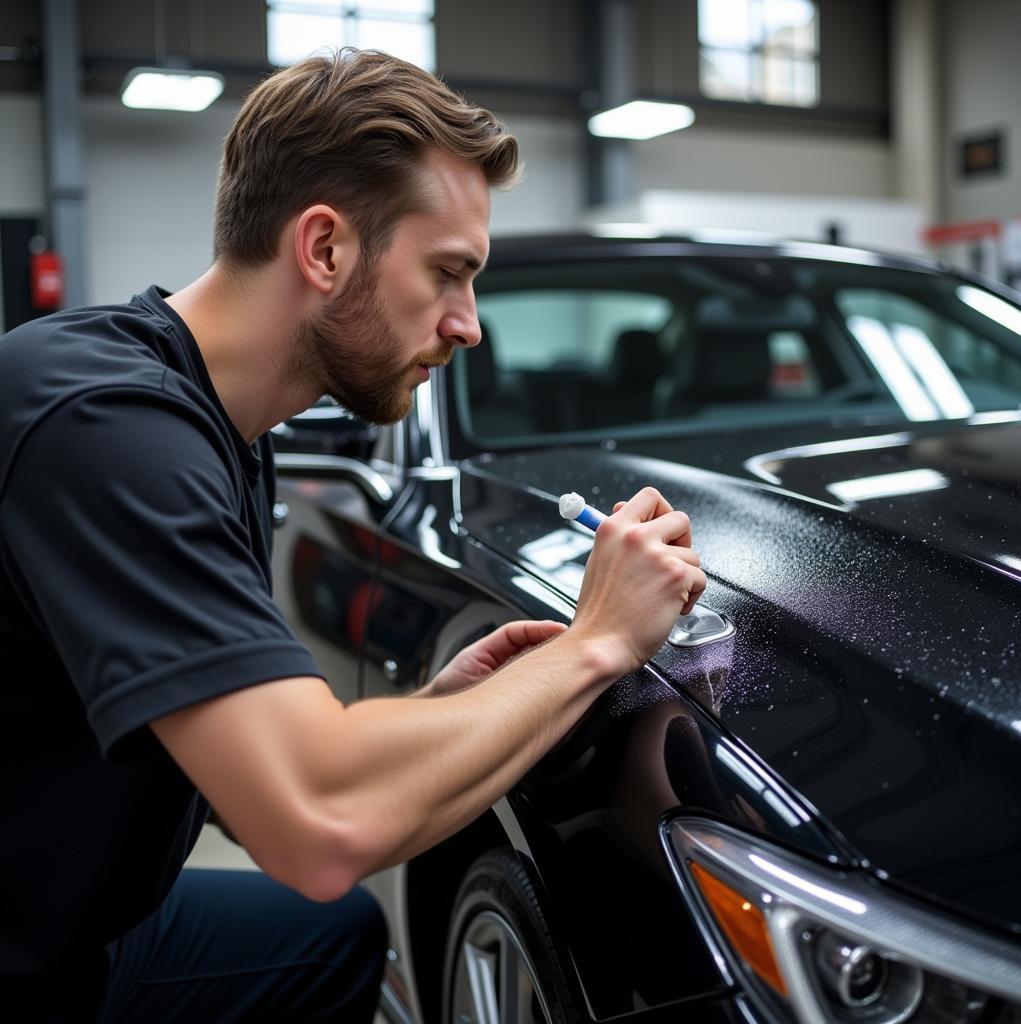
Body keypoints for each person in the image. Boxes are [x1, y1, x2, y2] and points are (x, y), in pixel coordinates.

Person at [0, 48, 707, 1022]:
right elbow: (316, 824)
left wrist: (432, 716)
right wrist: (598, 643)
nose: (468, 325)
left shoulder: (219, 429)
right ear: (324, 249)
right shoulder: (102, 427)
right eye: (448, 273)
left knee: (330, 937)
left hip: (76, 914)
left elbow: (249, 781)